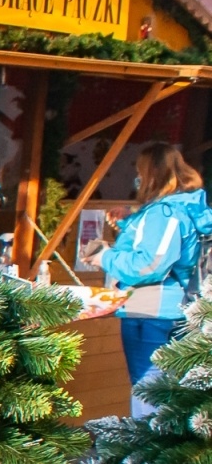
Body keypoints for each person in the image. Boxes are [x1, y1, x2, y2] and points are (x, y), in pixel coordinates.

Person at [81, 143, 212, 397]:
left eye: (140, 171)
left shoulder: (164, 212)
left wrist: (104, 257)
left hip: (153, 313)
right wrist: (131, 220)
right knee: (172, 395)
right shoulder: (182, 206)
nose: (137, 177)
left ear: (152, 173)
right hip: (174, 310)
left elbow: (149, 265)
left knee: (150, 394)